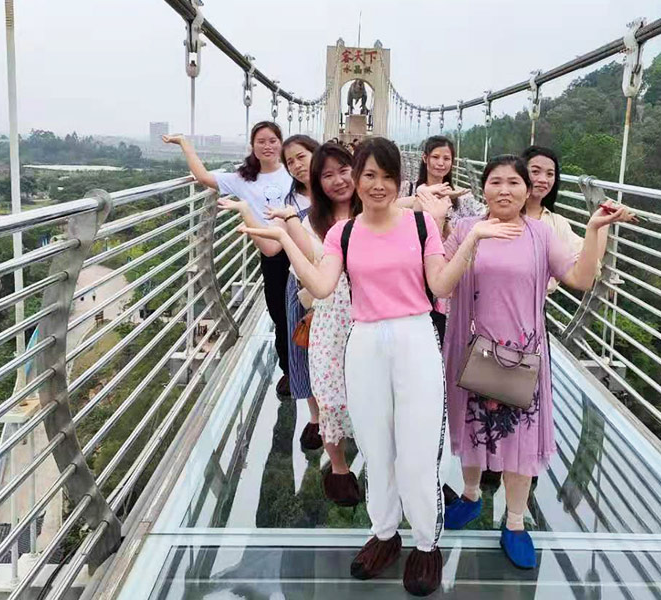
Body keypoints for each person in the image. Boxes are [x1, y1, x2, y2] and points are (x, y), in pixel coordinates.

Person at [239, 137, 523, 596]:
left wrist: (471, 239)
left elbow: (440, 284)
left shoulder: (420, 224)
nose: (378, 185)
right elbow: (322, 286)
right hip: (365, 341)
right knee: (375, 444)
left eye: (387, 176)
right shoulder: (343, 233)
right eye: (368, 175)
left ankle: (426, 543)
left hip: (415, 337)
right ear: (357, 179)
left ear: (399, 180)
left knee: (418, 448)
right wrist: (286, 240)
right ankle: (385, 533)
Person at [441, 155, 635, 570]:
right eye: (495, 182)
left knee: (521, 439)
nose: (504, 190)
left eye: (514, 182)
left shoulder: (540, 234)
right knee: (473, 427)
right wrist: (468, 236)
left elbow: (580, 279)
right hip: (471, 348)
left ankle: (514, 521)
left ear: (527, 191)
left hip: (522, 354)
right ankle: (471, 496)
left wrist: (595, 230)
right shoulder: (465, 228)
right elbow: (441, 282)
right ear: (483, 188)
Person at [162, 121, 294, 397]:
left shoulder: (293, 171)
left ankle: (308, 367)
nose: (267, 146)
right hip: (271, 253)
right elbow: (203, 178)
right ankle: (289, 371)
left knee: (302, 312)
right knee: (280, 315)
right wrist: (184, 143)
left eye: (272, 140)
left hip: (300, 247)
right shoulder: (242, 179)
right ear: (252, 146)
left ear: (281, 143)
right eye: (261, 141)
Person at [268, 141, 363, 506]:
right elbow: (309, 271)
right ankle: (338, 468)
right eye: (328, 175)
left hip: (371, 318)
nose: (338, 180)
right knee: (330, 396)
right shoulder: (311, 222)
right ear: (317, 182)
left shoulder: (376, 211)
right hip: (330, 320)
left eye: (345, 171)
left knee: (371, 394)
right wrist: (288, 227)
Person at [264, 135, 321, 451]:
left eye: (302, 157)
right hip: (300, 286)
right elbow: (274, 247)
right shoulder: (288, 202)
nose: (297, 166)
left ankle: (341, 414)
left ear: (316, 153)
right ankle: (315, 417)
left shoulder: (340, 190)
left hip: (339, 285)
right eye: (290, 162)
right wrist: (246, 214)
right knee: (302, 349)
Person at [521, 145, 592, 293]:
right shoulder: (499, 214)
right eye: (535, 172)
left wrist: (600, 224)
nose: (543, 180)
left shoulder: (556, 223)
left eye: (550, 174)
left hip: (535, 305)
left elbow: (586, 263)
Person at [399, 135, 485, 239]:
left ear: (452, 162)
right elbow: (387, 209)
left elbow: (486, 216)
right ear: (425, 158)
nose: (441, 163)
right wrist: (424, 195)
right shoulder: (406, 190)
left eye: (446, 158)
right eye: (435, 157)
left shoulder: (462, 199)